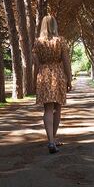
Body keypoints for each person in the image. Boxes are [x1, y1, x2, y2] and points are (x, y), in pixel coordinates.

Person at [33, 14, 72, 154]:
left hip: (43, 75)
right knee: (57, 109)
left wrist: (35, 80)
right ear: (54, 25)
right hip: (58, 74)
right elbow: (66, 62)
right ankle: (53, 139)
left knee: (47, 110)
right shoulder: (60, 41)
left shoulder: (38, 42)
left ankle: (51, 141)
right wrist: (69, 78)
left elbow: (36, 64)